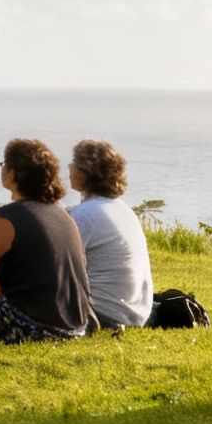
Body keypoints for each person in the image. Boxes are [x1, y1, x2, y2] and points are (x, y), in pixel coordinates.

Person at [0, 139, 94, 343]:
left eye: (4, 165)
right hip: (77, 328)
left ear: (13, 173)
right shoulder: (62, 214)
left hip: (37, 329)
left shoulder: (5, 219)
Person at [68, 140, 155, 328]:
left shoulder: (84, 216)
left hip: (103, 315)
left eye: (73, 165)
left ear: (83, 174)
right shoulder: (121, 209)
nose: (69, 169)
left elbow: (59, 267)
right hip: (136, 313)